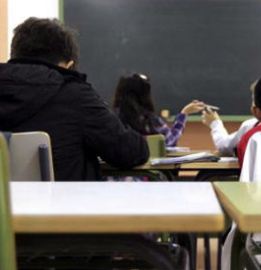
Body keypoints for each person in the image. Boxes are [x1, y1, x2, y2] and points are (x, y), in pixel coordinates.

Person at [0, 17, 149, 180]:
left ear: (13, 55)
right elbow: (129, 152)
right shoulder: (74, 94)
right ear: (69, 65)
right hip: (64, 203)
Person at [112, 73, 205, 146]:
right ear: (145, 95)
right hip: (151, 169)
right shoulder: (150, 121)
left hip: (116, 169)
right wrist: (184, 113)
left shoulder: (111, 120)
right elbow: (170, 140)